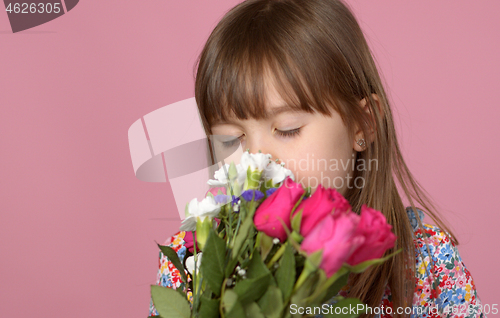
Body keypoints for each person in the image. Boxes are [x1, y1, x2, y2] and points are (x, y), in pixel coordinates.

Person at [148, 0, 485, 317]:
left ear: (363, 124)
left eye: (288, 129)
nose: (256, 160)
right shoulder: (194, 264)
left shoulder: (425, 263)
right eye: (229, 139)